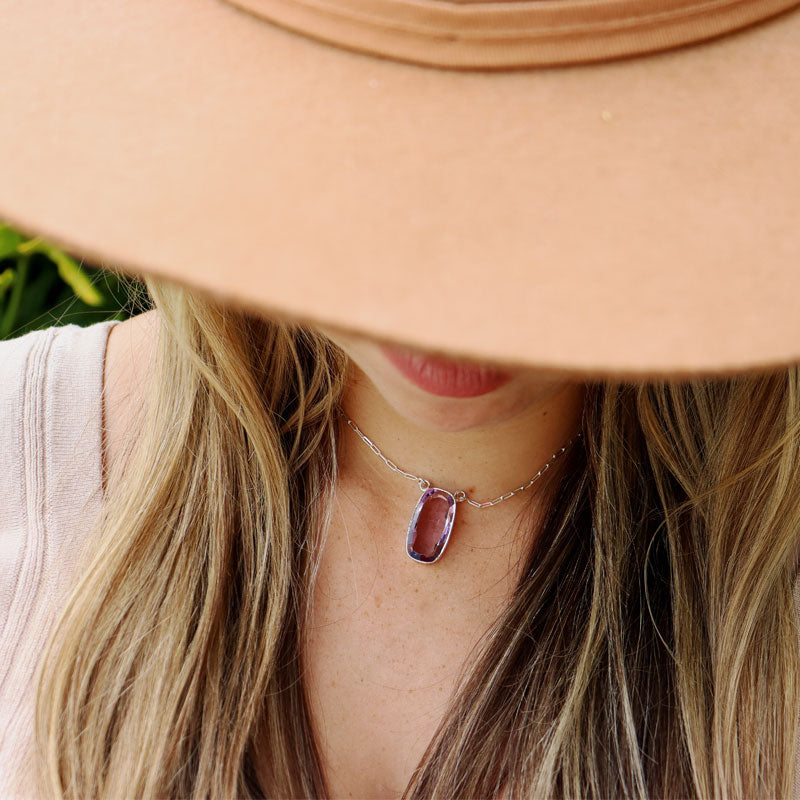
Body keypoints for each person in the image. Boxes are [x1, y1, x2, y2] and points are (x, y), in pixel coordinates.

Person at [0, 1, 799, 798]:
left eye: (555, 158)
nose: (456, 288)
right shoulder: (25, 461)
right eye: (377, 140)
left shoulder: (767, 589)